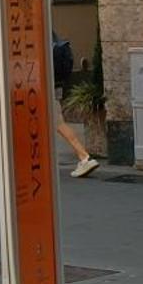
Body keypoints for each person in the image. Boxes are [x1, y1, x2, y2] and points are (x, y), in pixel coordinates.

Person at [52, 32, 100, 178]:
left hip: (40, 86)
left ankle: (84, 157)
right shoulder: (46, 28)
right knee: (57, 122)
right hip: (55, 84)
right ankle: (84, 158)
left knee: (58, 123)